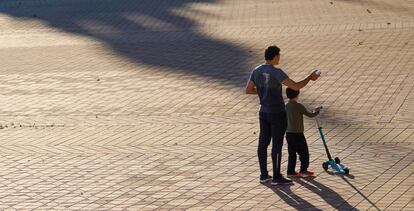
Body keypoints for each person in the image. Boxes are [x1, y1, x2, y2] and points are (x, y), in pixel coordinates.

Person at [245, 45, 319, 185]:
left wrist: (261, 92)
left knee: (263, 143)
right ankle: (277, 176)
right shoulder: (276, 72)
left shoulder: (256, 70)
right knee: (276, 145)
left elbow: (248, 90)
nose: (279, 58)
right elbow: (295, 86)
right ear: (274, 57)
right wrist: (310, 77)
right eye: (279, 56)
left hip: (263, 112)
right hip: (277, 113)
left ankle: (264, 174)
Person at [285, 88, 321, 178]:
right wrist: (317, 111)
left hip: (288, 133)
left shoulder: (285, 105)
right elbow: (310, 115)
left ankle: (290, 171)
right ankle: (303, 170)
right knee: (304, 152)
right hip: (298, 133)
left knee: (292, 153)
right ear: (297, 95)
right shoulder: (298, 106)